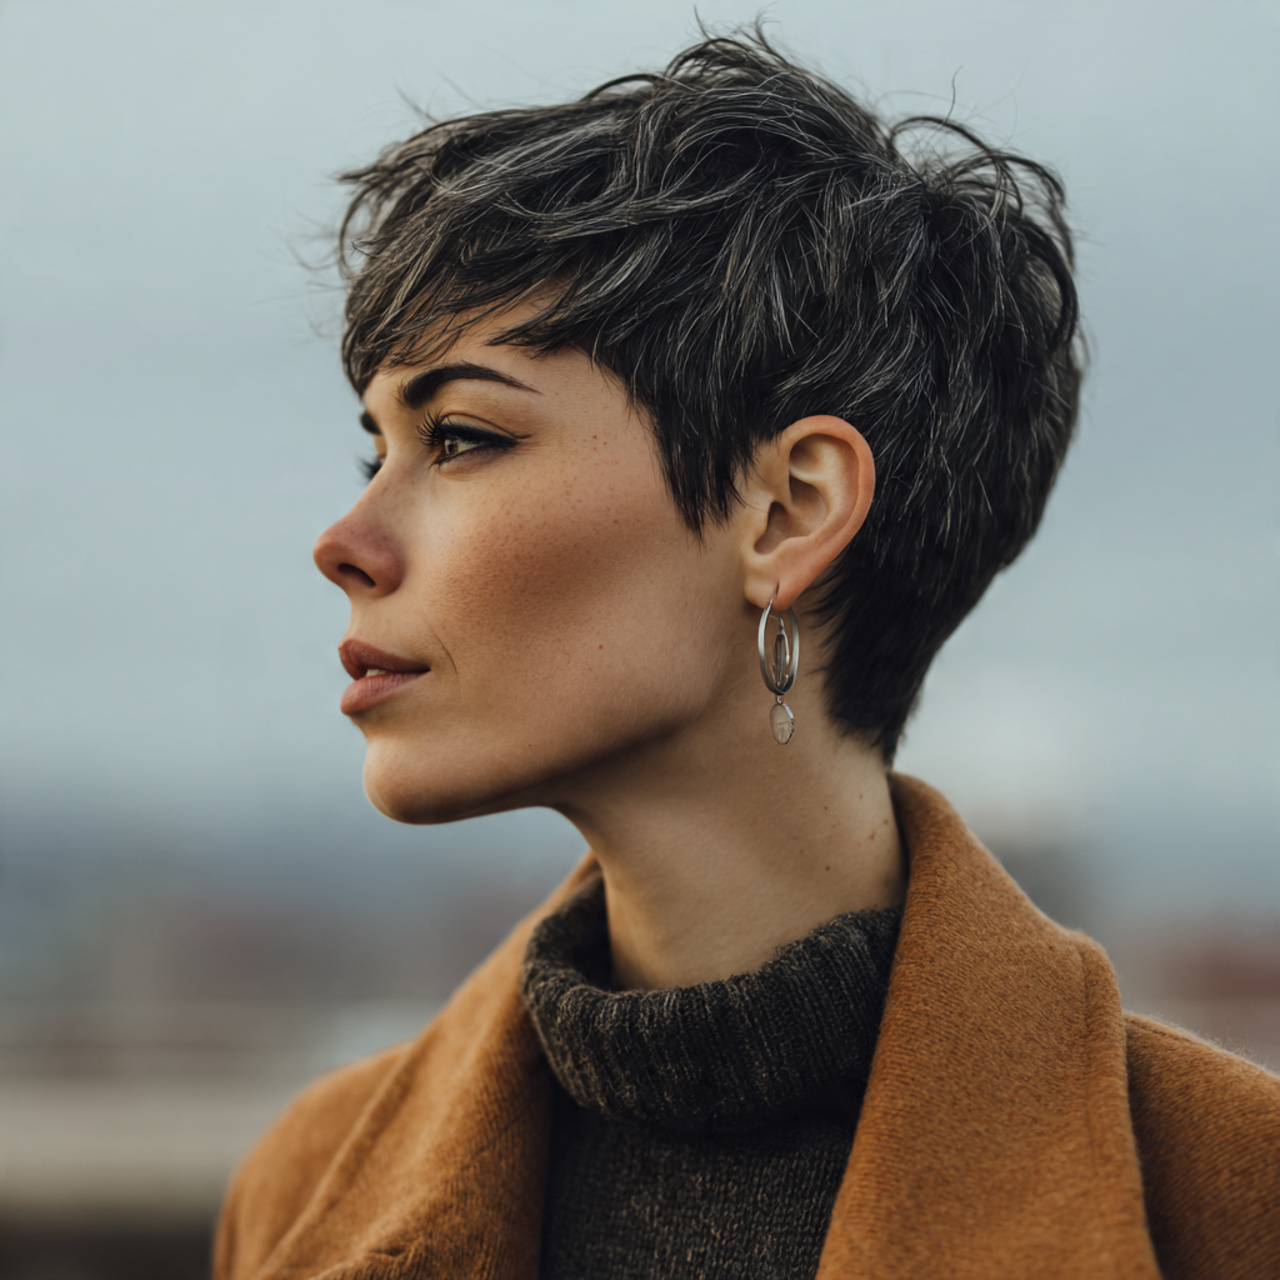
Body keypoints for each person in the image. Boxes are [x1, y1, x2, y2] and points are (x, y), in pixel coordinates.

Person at [213, 29, 1279, 1280]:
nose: (344, 542)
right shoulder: (301, 1186)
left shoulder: (1231, 1196)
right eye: (370, 451)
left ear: (786, 511)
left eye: (456, 437)